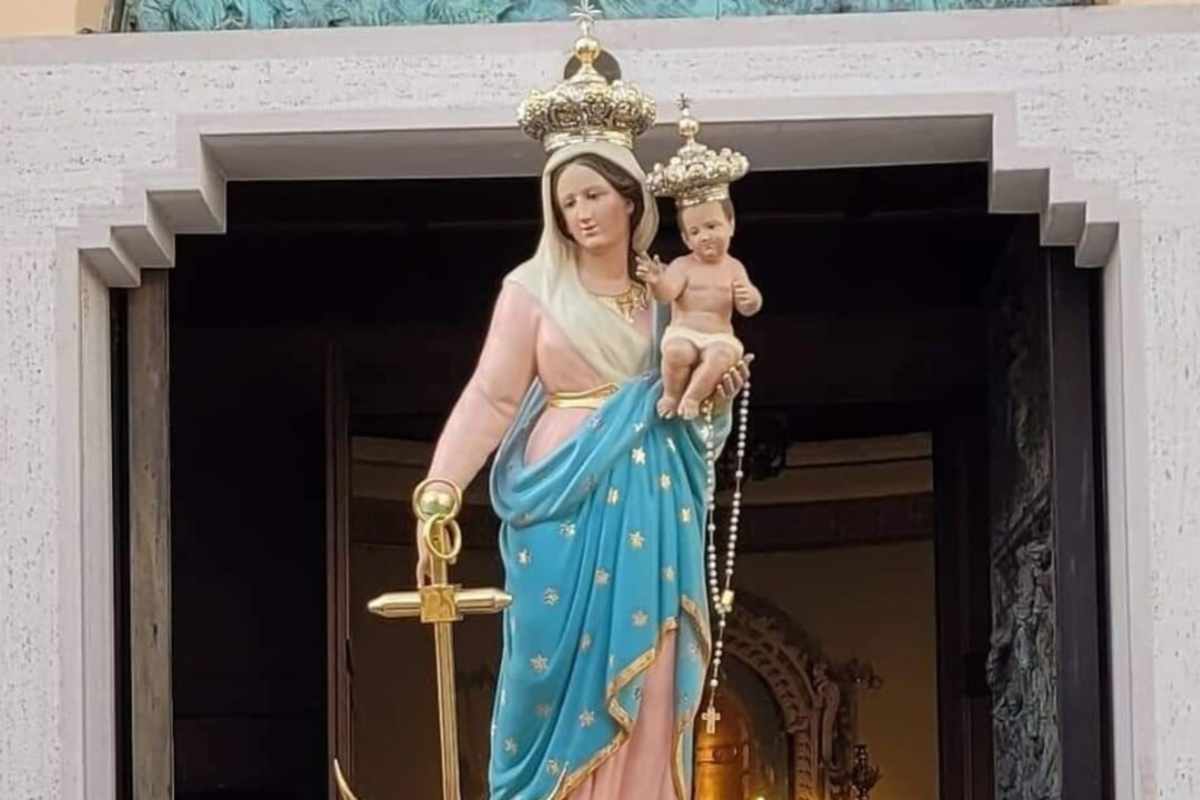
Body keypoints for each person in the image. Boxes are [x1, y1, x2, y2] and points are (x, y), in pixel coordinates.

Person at [411, 21, 751, 794]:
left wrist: (713, 404)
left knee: (652, 671)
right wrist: (439, 486)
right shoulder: (531, 290)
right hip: (558, 503)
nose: (582, 214)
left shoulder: (665, 292)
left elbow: (691, 415)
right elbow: (493, 395)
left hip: (653, 507)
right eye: (566, 202)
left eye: (595, 194)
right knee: (545, 675)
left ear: (631, 197)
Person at [641, 99, 762, 421]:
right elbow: (668, 294)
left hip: (719, 335)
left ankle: (692, 397)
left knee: (721, 357)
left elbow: (748, 305)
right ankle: (671, 394)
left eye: (712, 226)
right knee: (676, 353)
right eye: (695, 231)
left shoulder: (733, 267)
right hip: (684, 331)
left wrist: (750, 299)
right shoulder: (683, 266)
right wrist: (655, 280)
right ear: (685, 239)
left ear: (731, 225)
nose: (705, 236)